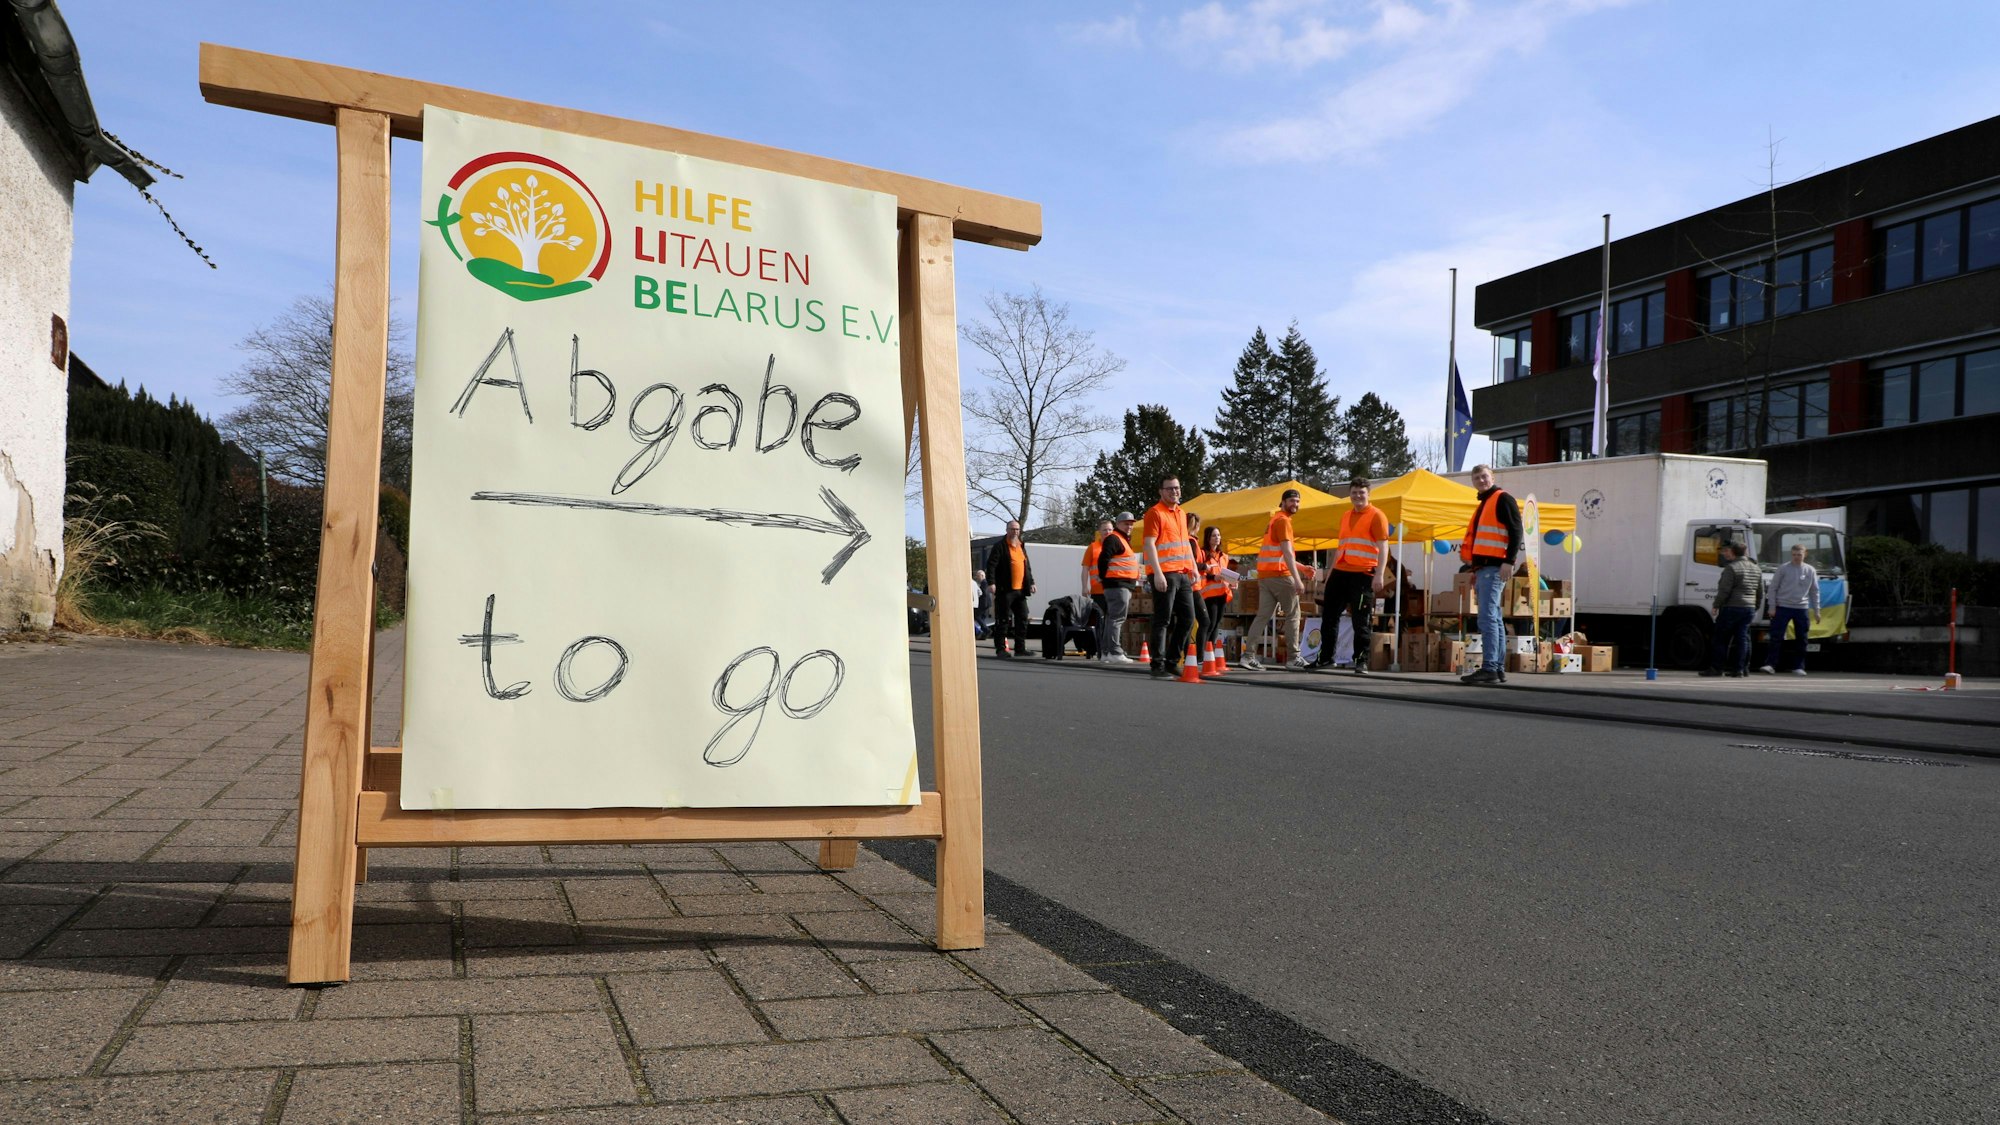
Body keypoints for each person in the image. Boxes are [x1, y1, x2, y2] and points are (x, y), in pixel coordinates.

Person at [1313, 476, 1389, 676]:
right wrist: (1329, 575)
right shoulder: (1346, 515)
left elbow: (1383, 547)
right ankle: (1326, 658)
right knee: (1329, 616)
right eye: (1354, 492)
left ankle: (1361, 661)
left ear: (1368, 494)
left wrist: (1379, 574)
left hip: (1363, 573)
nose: (1357, 496)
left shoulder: (1377, 515)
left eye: (1361, 492)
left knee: (1360, 620)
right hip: (1340, 572)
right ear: (1349, 495)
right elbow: (1341, 547)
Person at [1458, 464, 1522, 686]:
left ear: (1492, 477)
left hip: (1494, 567)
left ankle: (1490, 668)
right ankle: (1497, 668)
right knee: (1493, 618)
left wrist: (1509, 561)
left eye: (1484, 476)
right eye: (1477, 478)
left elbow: (1516, 530)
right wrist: (1476, 568)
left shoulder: (1502, 499)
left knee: (1487, 618)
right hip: (1487, 568)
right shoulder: (1487, 502)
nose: (1481, 480)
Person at [1242, 488, 1308, 671]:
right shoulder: (1283, 521)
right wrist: (1298, 579)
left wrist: (1302, 568)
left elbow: (1279, 554)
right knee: (1293, 615)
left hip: (1265, 576)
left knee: (1262, 617)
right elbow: (1287, 553)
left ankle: (1248, 656)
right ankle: (1293, 658)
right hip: (1280, 576)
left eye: (1297, 501)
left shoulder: (1274, 521)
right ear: (1283, 502)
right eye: (1292, 501)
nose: (1295, 504)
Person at [1143, 477, 1200, 679]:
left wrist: (1193, 567)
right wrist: (1157, 573)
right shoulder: (1155, 513)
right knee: (1163, 619)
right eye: (1169, 489)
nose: (1174, 491)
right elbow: (1149, 544)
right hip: (1165, 573)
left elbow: (1185, 543)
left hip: (1182, 573)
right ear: (1161, 491)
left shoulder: (1181, 513)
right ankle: (1157, 665)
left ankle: (1171, 661)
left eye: (1177, 488)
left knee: (1188, 618)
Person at [1760, 543, 1822, 675]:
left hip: (1802, 608)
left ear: (1805, 554)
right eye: (1794, 555)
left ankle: (1798, 666)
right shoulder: (1783, 568)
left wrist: (1817, 610)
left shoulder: (1810, 570)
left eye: (1799, 554)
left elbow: (1814, 591)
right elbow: (1773, 588)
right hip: (1783, 606)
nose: (1796, 557)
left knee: (1802, 638)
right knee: (1776, 637)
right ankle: (1770, 664)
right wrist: (1772, 607)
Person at [1704, 540, 1763, 678]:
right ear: (1746, 552)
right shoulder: (1756, 568)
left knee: (1721, 638)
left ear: (1733, 552)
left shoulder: (1731, 568)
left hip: (1732, 607)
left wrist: (1716, 605)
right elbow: (1760, 591)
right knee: (1743, 639)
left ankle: (1717, 668)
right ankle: (1741, 669)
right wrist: (1755, 606)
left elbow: (1724, 590)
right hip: (1749, 608)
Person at [983, 521, 1036, 658]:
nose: (1015, 532)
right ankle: (1001, 649)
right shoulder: (1000, 546)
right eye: (1012, 529)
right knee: (1003, 619)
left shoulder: (1021, 546)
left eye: (1017, 529)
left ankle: (1020, 648)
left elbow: (1026, 567)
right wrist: (991, 582)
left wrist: (1031, 582)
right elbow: (991, 565)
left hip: (1020, 590)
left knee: (1023, 617)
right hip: (1005, 589)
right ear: (1007, 530)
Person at [1096, 512, 1140, 664]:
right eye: (1126, 523)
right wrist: (1103, 576)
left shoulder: (1120, 539)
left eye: (1131, 524)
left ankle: (1107, 652)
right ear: (1118, 524)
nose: (1129, 526)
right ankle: (1115, 652)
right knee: (1117, 619)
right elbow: (1103, 558)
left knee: (1112, 619)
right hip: (1118, 584)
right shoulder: (1115, 538)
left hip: (1118, 585)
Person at [1197, 524, 1233, 662]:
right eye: (1213, 535)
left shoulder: (1224, 556)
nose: (1217, 538)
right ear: (1208, 538)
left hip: (1223, 592)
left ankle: (1209, 654)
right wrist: (1213, 577)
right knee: (1209, 624)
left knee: (1216, 624)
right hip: (1209, 594)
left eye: (1218, 535)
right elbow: (1200, 572)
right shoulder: (1203, 554)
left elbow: (1225, 573)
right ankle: (1200, 655)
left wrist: (1232, 582)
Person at [1082, 520, 1110, 627]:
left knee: (1112, 622)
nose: (1107, 532)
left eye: (1110, 529)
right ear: (1099, 532)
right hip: (1098, 591)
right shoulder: (1093, 547)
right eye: (1105, 530)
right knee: (1098, 621)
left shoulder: (1117, 546)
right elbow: (1085, 569)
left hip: (1113, 589)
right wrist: (1085, 587)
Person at [972, 569, 991, 638]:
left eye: (978, 576)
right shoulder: (983, 583)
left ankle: (986, 630)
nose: (977, 578)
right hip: (986, 603)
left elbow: (983, 593)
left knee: (977, 616)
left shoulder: (984, 583)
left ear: (982, 576)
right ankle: (984, 632)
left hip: (983, 603)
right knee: (982, 617)